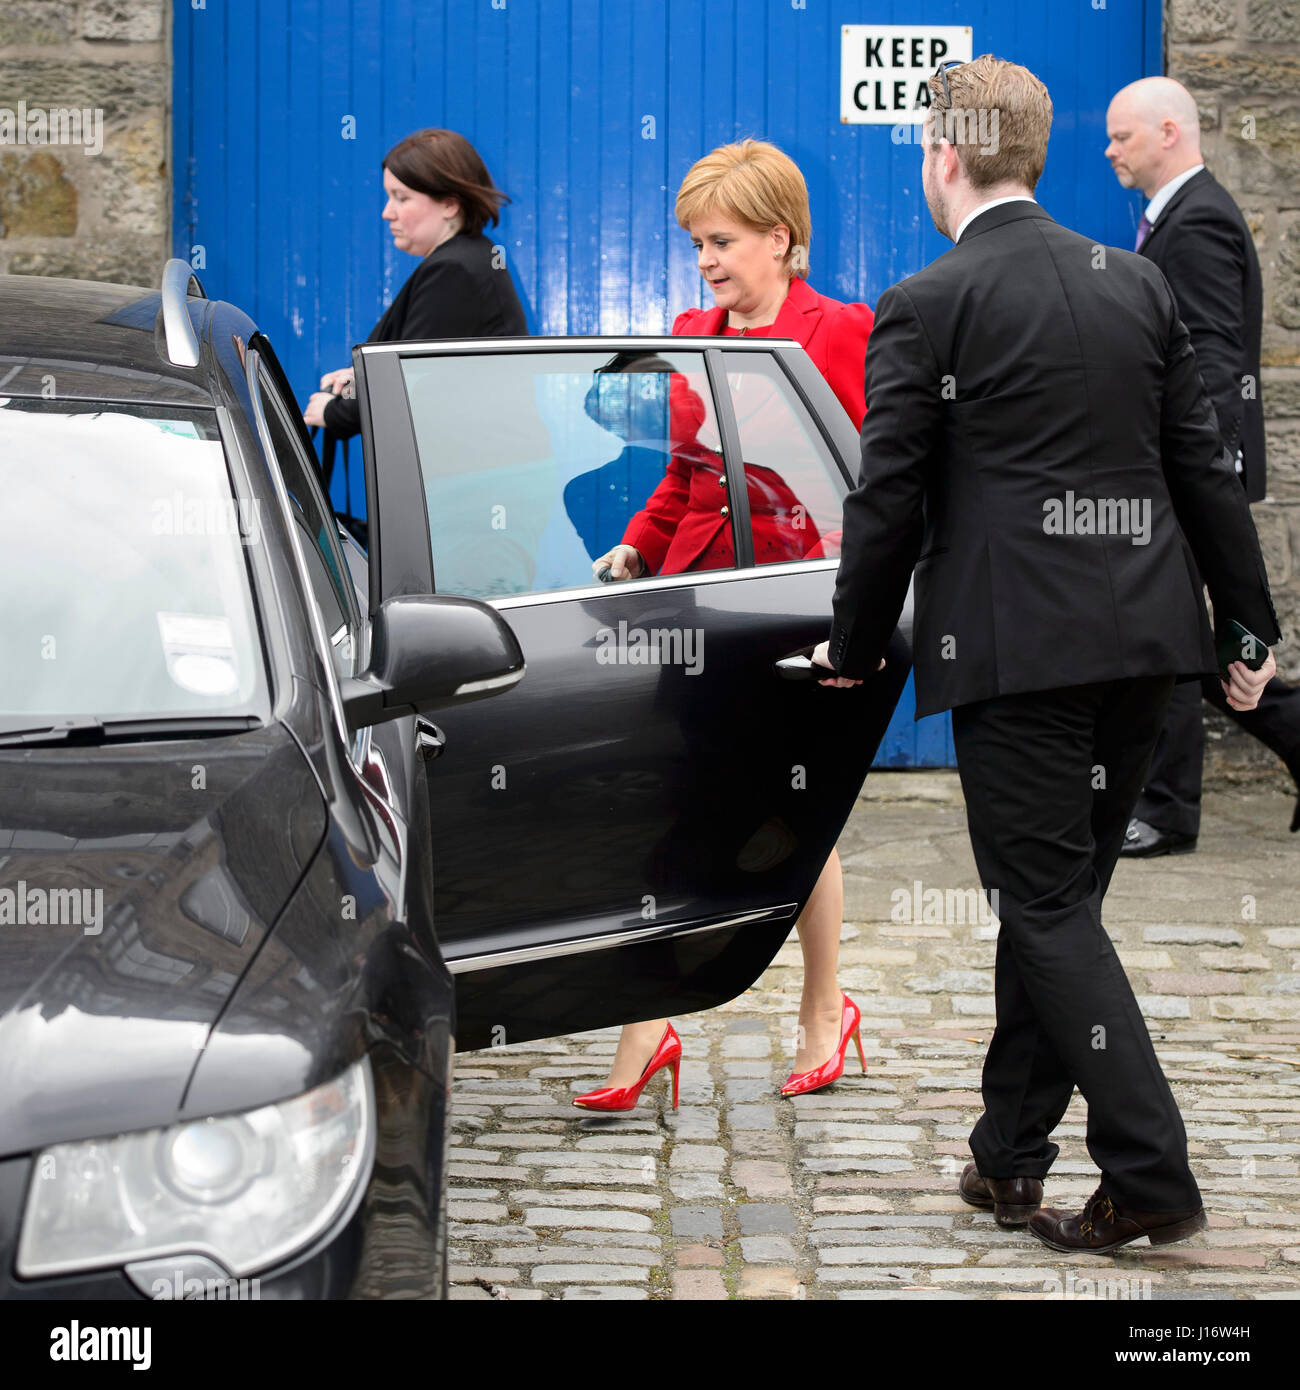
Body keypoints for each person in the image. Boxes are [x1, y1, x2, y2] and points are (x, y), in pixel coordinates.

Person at [813, 55, 1278, 1253]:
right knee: (1056, 906)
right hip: (1145, 644)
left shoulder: (926, 300)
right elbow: (1203, 471)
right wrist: (1247, 624)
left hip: (1019, 650)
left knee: (1045, 906)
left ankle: (1150, 1171)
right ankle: (1006, 1157)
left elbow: (888, 498)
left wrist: (854, 646)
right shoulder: (1132, 284)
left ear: (943, 156)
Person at [572, 139, 878, 1112]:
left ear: (779, 239)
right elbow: (683, 474)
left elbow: (873, 477)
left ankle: (824, 1007)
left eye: (721, 240)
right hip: (698, 597)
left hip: (798, 603)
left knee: (797, 809)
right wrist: (635, 546)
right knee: (671, 799)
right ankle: (646, 1024)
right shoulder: (690, 330)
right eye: (696, 243)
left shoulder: (842, 331)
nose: (703, 260)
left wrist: (859, 598)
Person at [1103, 77, 1300, 856]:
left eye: (1122, 135)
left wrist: (1194, 469)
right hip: (1186, 468)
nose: (1110, 148)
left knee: (1168, 633)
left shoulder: (1201, 219)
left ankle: (1168, 810)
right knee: (1183, 632)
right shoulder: (1184, 215)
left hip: (1188, 469)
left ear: (1168, 132)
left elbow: (1214, 359)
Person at [303, 128, 527, 438]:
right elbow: (436, 378)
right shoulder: (468, 259)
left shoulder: (454, 270)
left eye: (401, 198)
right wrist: (360, 379)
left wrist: (334, 412)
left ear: (449, 204)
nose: (386, 213)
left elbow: (409, 385)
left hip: (473, 473)